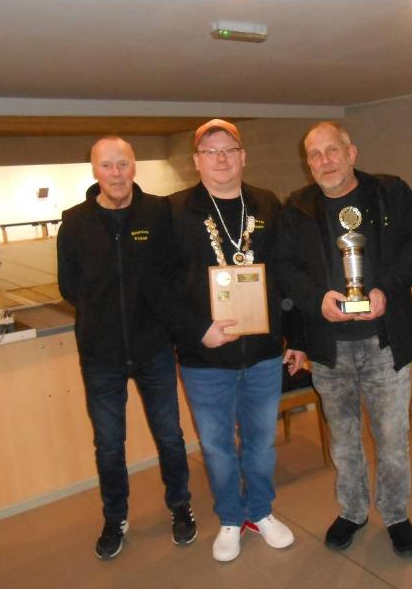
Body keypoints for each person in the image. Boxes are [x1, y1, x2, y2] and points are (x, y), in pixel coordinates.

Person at [275, 121, 412, 557]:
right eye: (315, 155)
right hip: (330, 347)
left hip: (384, 341)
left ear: (351, 153)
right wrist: (315, 300)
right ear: (308, 163)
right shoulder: (297, 208)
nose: (324, 161)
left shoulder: (389, 192)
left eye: (332, 150)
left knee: (393, 440)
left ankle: (396, 514)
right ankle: (353, 510)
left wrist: (387, 289)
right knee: (343, 440)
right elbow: (285, 267)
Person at [166, 119, 306, 563]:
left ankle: (260, 512)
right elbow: (162, 287)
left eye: (228, 149)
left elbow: (285, 272)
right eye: (210, 151)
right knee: (217, 447)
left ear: (243, 156)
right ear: (197, 161)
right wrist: (197, 329)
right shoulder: (175, 211)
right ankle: (231, 518)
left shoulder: (267, 204)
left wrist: (296, 335)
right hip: (205, 357)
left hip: (263, 353)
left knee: (261, 443)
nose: (221, 158)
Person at [57, 137, 196, 560]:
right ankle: (115, 518)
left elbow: (175, 274)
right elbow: (69, 287)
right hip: (101, 355)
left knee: (170, 435)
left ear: (134, 167)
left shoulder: (158, 213)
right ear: (94, 170)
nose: (116, 173)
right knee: (109, 444)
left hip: (153, 347)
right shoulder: (75, 223)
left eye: (123, 164)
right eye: (107, 165)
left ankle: (181, 506)